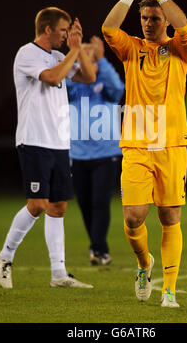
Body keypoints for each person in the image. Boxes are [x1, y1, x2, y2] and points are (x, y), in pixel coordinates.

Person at [102, 0, 187, 307]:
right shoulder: (131, 49)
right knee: (132, 217)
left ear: (165, 21)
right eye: (144, 18)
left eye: (155, 18)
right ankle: (144, 264)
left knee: (170, 217)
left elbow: (184, 26)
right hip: (137, 144)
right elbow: (108, 27)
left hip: (171, 143)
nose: (149, 23)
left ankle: (169, 288)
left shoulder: (180, 50)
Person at [0, 7, 96, 289]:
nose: (66, 36)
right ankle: (5, 256)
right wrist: (75, 52)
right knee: (37, 204)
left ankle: (58, 273)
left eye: (68, 31)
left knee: (58, 206)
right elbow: (52, 78)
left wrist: (77, 50)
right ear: (47, 29)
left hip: (58, 142)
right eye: (63, 30)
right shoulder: (27, 53)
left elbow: (88, 78)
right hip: (34, 139)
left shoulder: (59, 56)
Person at [66, 36, 124, 265]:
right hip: (77, 153)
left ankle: (99, 249)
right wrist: (77, 59)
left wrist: (103, 61)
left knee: (100, 201)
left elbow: (118, 90)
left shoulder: (106, 80)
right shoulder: (74, 81)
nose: (87, 59)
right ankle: (97, 246)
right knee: (84, 203)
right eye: (84, 55)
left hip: (106, 152)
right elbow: (63, 87)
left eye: (92, 55)